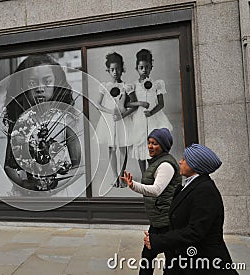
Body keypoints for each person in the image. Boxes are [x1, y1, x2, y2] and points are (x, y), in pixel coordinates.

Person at [143, 144, 239, 274]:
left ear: (195, 165)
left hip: (204, 263)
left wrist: (159, 241)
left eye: (184, 159)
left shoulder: (205, 190)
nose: (180, 162)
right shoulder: (191, 185)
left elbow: (195, 231)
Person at [3, 54, 81, 193]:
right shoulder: (20, 121)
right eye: (32, 83)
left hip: (57, 192)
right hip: (25, 193)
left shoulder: (65, 119)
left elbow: (79, 165)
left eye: (47, 81)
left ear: (57, 82)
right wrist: (24, 185)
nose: (40, 88)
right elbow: (9, 165)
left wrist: (55, 186)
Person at [120, 128, 181, 275]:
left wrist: (133, 185)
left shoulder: (165, 165)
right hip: (159, 219)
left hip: (166, 221)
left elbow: (156, 190)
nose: (149, 146)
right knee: (149, 256)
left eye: (154, 143)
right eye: (149, 143)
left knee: (169, 259)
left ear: (163, 146)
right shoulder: (157, 162)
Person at [94, 52, 137, 187]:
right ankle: (114, 176)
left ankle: (122, 174)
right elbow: (98, 104)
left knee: (123, 147)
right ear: (108, 70)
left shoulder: (126, 86)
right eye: (112, 69)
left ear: (122, 68)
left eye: (117, 69)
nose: (115, 72)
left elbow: (134, 105)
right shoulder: (105, 86)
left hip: (123, 121)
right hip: (109, 120)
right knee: (112, 148)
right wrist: (111, 112)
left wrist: (122, 115)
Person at [129, 49, 173, 175]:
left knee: (153, 143)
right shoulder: (133, 85)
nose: (144, 70)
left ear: (151, 68)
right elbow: (129, 103)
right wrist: (140, 104)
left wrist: (152, 112)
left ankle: (153, 172)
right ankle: (144, 174)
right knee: (140, 142)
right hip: (139, 118)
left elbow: (161, 104)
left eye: (147, 67)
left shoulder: (157, 84)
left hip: (154, 118)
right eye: (141, 67)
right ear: (136, 68)